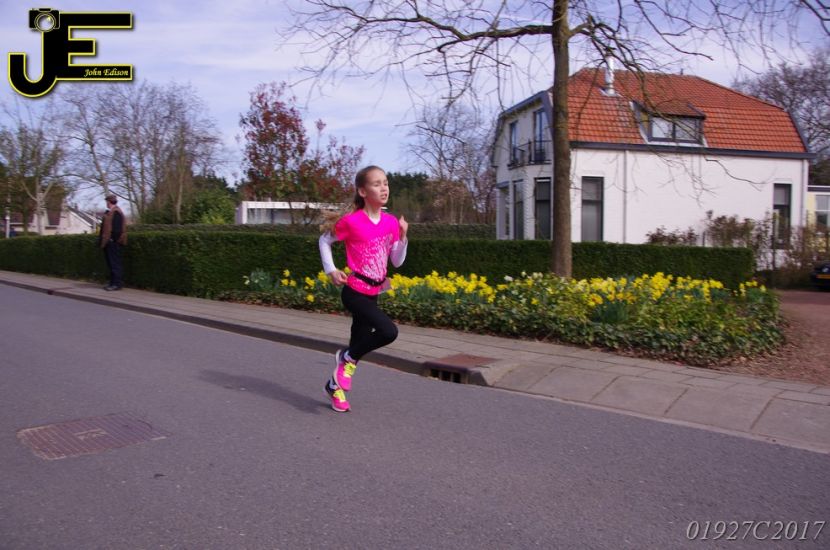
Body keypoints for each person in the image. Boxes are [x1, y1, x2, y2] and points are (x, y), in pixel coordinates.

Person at [318, 165, 408, 412]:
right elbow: (324, 240)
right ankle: (345, 357)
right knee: (388, 331)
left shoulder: (391, 223)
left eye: (385, 183)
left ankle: (334, 387)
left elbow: (397, 261)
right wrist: (331, 270)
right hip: (354, 291)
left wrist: (403, 237)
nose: (384, 188)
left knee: (357, 344)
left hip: (373, 293)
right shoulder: (352, 221)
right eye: (377, 184)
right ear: (363, 191)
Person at [99, 193, 127, 291]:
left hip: (113, 243)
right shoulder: (110, 212)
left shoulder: (116, 212)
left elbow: (117, 230)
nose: (106, 203)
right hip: (109, 242)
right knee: (111, 263)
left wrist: (112, 240)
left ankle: (117, 284)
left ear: (109, 202)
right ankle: (112, 282)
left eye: (107, 201)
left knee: (115, 263)